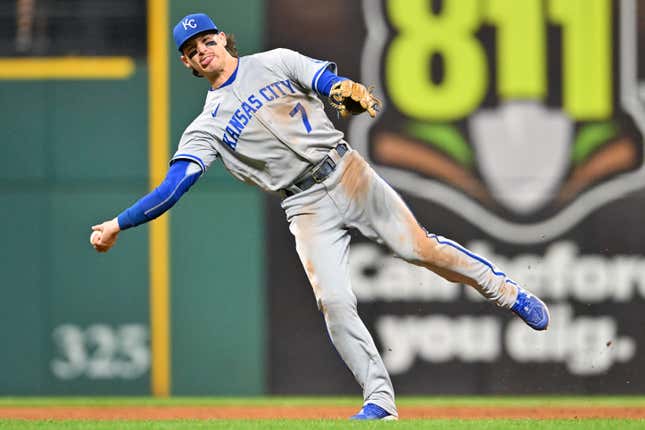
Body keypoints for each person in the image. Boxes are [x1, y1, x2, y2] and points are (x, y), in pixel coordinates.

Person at [90, 12, 550, 420]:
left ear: (224, 40)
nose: (202, 50)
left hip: (345, 169)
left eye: (207, 41)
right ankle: (380, 401)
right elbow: (174, 187)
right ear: (187, 65)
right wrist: (117, 224)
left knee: (419, 248)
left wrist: (337, 89)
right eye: (191, 51)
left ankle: (506, 292)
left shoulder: (274, 60)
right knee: (332, 301)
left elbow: (326, 83)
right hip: (304, 205)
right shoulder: (205, 127)